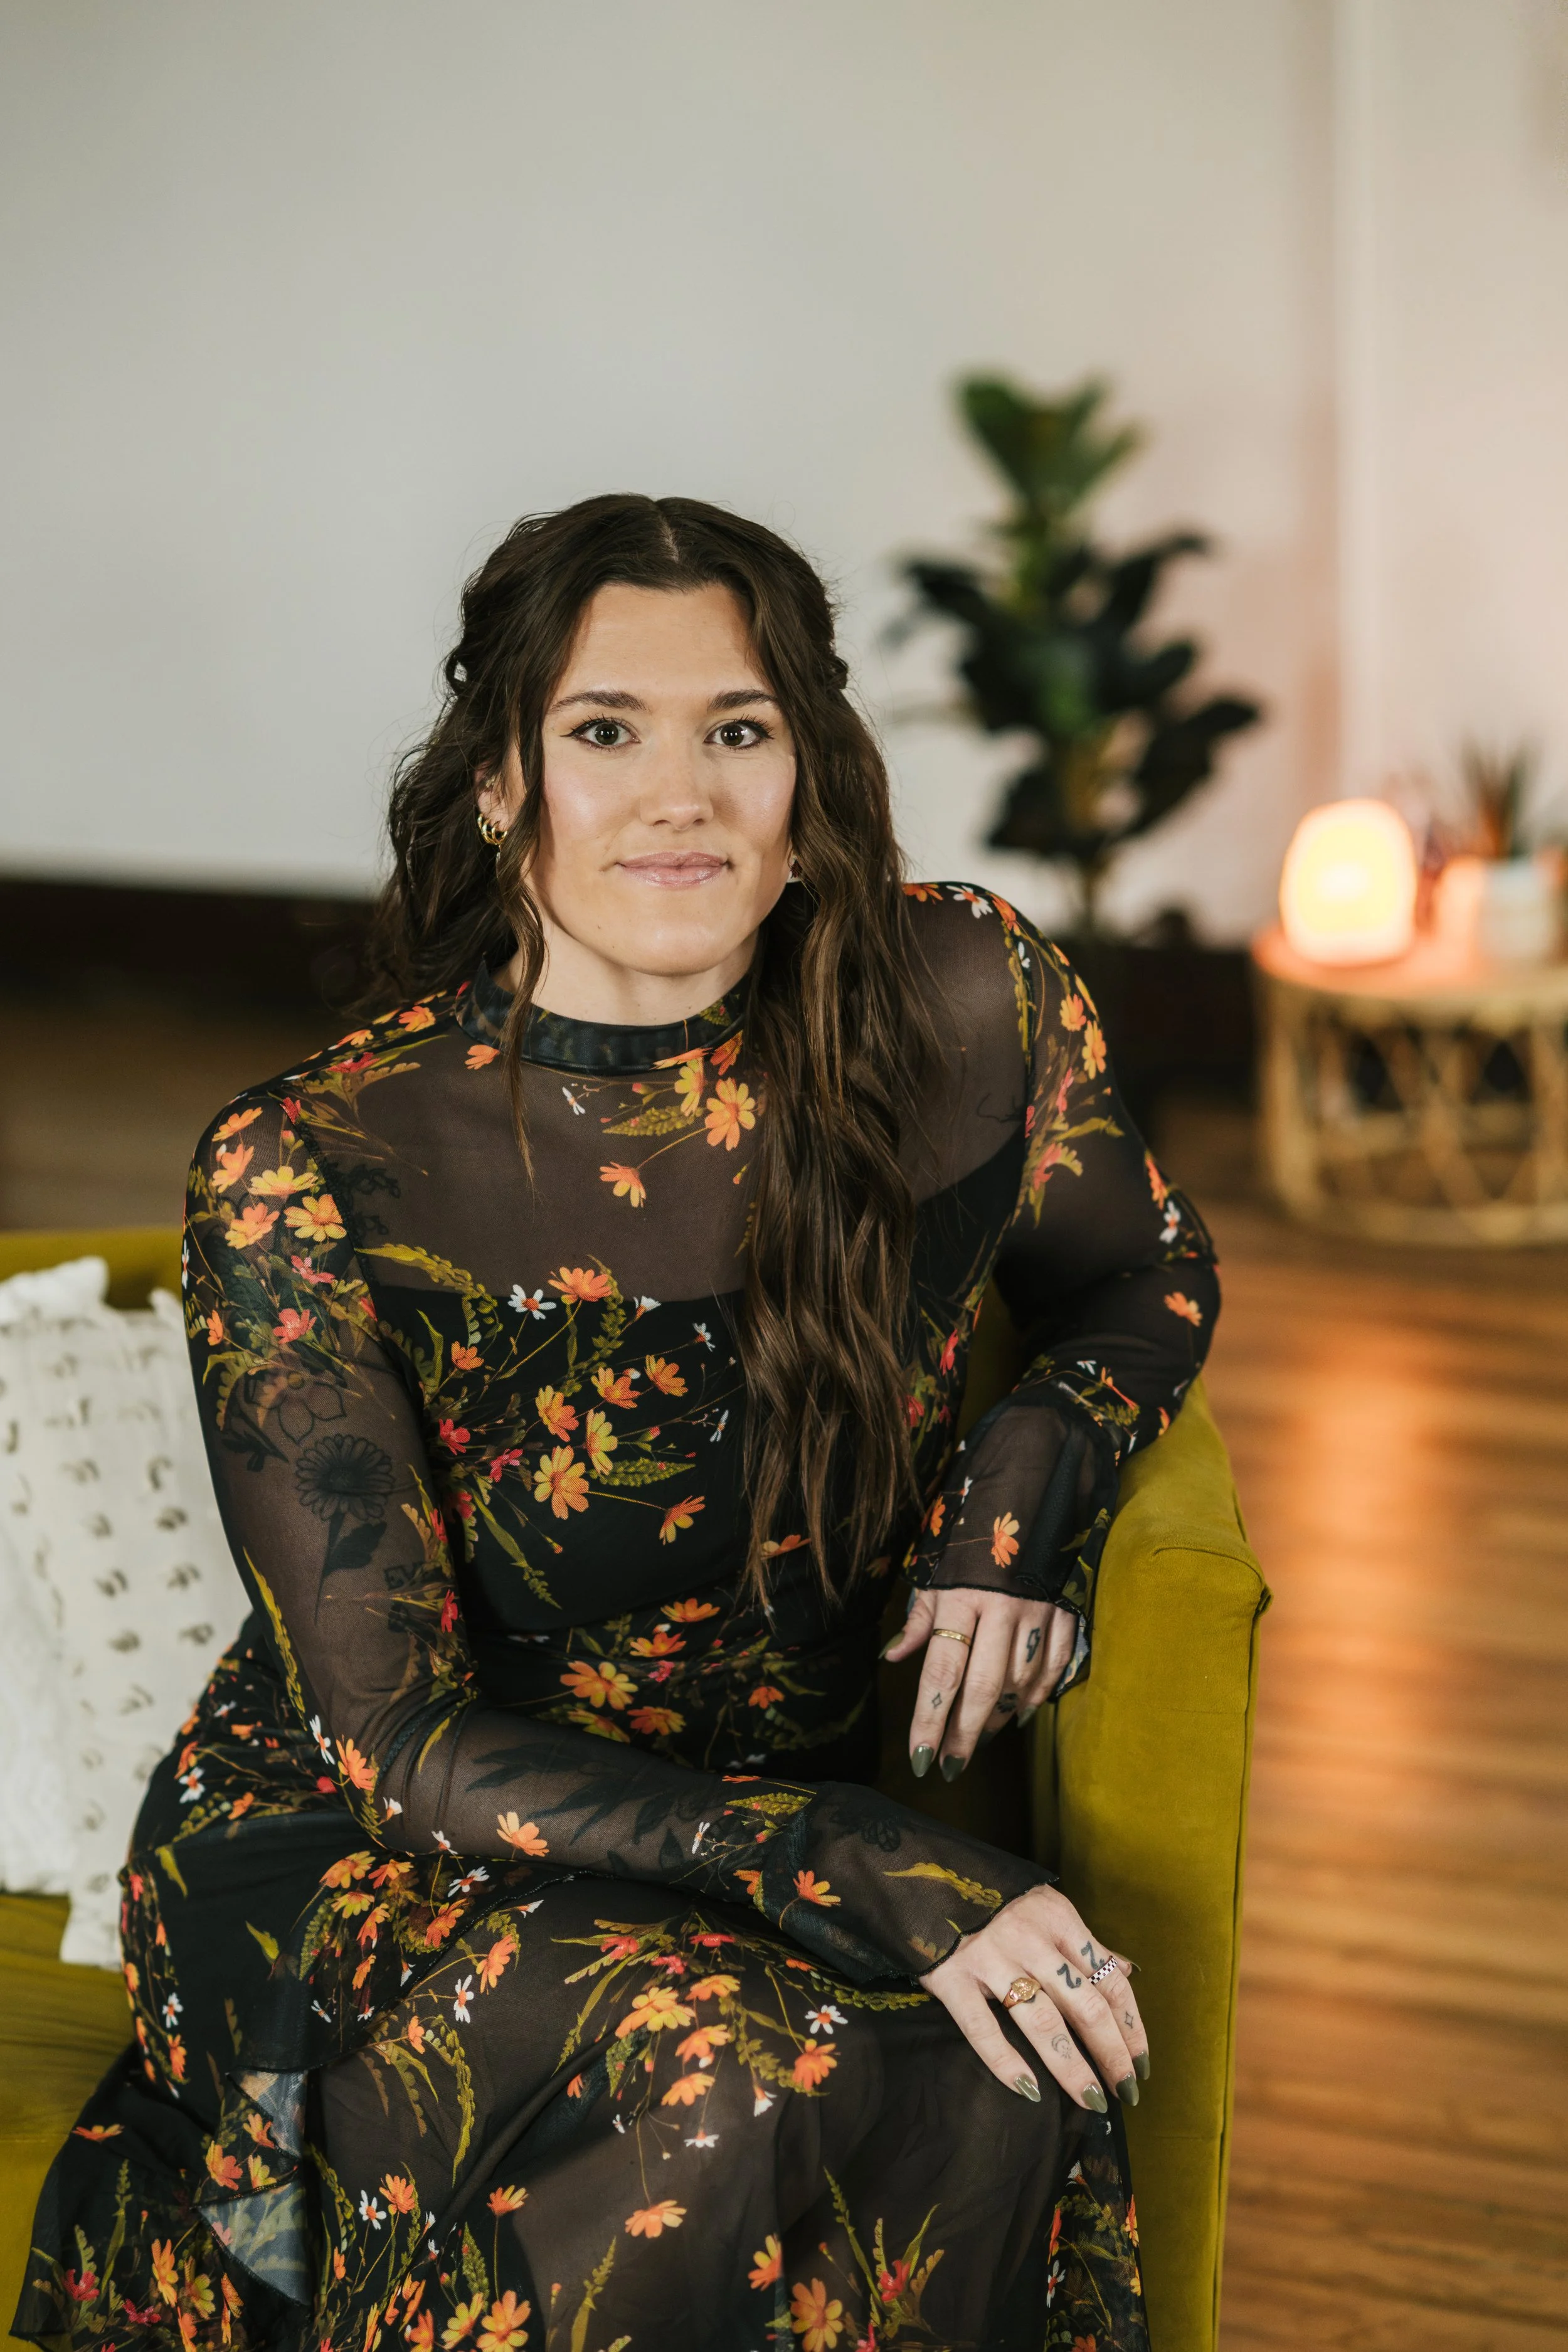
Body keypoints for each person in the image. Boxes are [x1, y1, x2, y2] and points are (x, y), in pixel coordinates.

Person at [17, 495, 1217, 2352]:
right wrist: (857, 1853)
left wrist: (1028, 1475)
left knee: (1001, 2070)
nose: (682, 795)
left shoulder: (965, 992)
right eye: (605, 731)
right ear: (502, 780)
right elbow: (393, 1731)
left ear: (808, 770)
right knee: (749, 2069)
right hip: (393, 1852)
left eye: (737, 729)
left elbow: (1137, 1269)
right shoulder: (312, 1160)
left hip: (744, 1839)